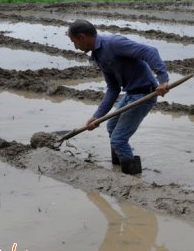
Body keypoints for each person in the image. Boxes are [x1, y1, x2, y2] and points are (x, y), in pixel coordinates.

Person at [67, 19, 170, 175]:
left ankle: (131, 177)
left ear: (82, 37)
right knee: (111, 127)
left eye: (74, 42)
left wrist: (163, 80)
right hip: (131, 94)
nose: (75, 47)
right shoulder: (98, 56)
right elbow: (113, 88)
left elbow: (150, 51)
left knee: (118, 139)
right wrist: (97, 116)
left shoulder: (114, 43)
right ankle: (119, 166)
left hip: (144, 94)